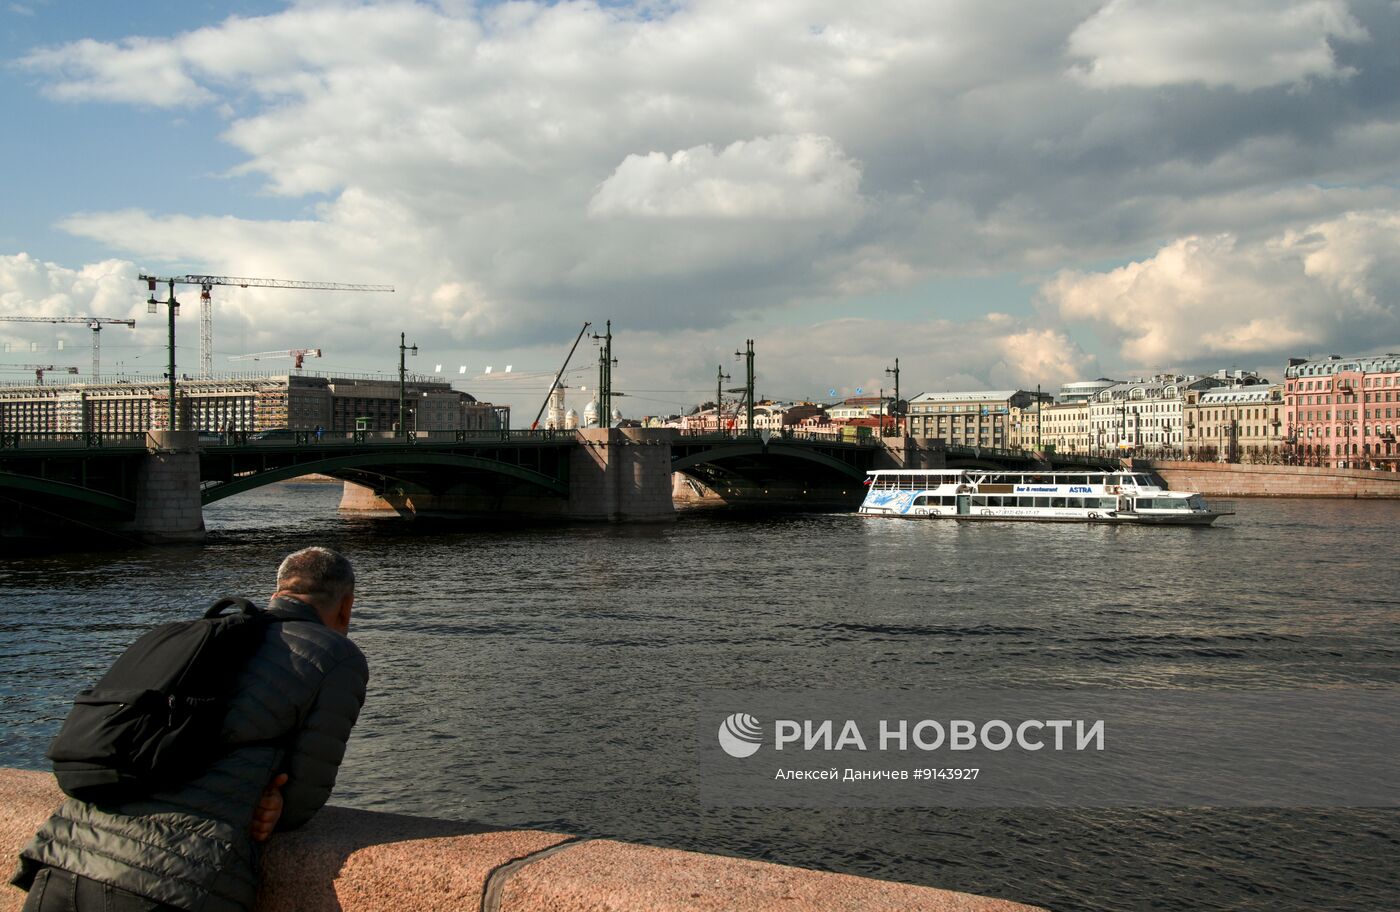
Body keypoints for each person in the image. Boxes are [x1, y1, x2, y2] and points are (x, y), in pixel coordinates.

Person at [11, 547, 370, 912]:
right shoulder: (337, 656)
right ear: (346, 606)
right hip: (171, 880)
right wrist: (277, 802)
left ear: (275, 595)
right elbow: (303, 796)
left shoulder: (189, 636)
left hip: (62, 857)